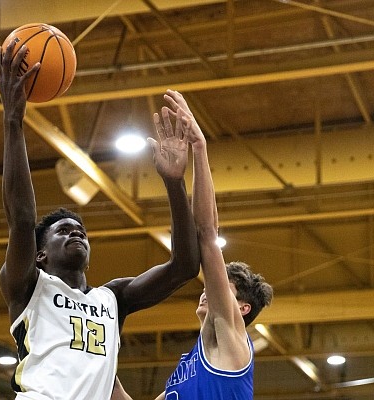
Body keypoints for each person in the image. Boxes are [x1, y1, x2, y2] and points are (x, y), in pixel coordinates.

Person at [0, 40, 200, 400]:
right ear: (40, 255)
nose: (76, 233)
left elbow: (184, 265)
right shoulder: (28, 284)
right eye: (63, 231)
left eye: (81, 232)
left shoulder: (113, 298)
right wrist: (14, 121)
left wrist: (173, 182)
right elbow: (22, 218)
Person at [112, 90, 273, 400]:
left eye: (224, 286)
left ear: (242, 308)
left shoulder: (232, 342)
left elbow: (207, 235)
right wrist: (101, 364)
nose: (208, 286)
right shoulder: (188, 368)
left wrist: (200, 149)